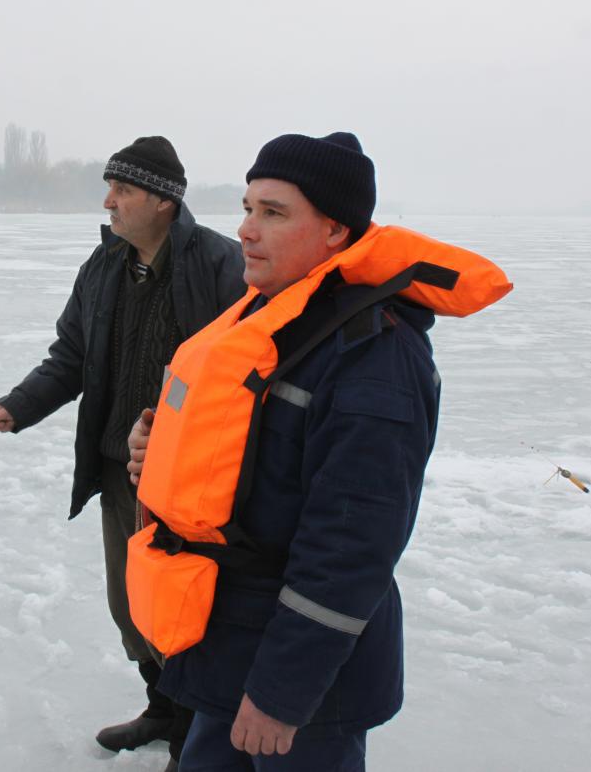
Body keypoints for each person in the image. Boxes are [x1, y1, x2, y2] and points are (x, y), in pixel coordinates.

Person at [127, 132, 509, 771]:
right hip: (229, 643)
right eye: (247, 208)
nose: (246, 230)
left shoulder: (373, 357)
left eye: (273, 213)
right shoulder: (268, 321)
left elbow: (351, 546)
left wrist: (283, 693)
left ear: (336, 232)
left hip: (301, 684)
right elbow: (249, 462)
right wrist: (162, 449)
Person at [0, 136, 245, 770]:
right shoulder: (102, 268)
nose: (108, 201)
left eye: (121, 190)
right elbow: (71, 357)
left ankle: (192, 738)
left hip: (192, 484)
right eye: (110, 188)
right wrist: (20, 404)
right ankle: (161, 707)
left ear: (162, 200)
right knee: (132, 605)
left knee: (187, 612)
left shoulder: (219, 266)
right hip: (122, 474)